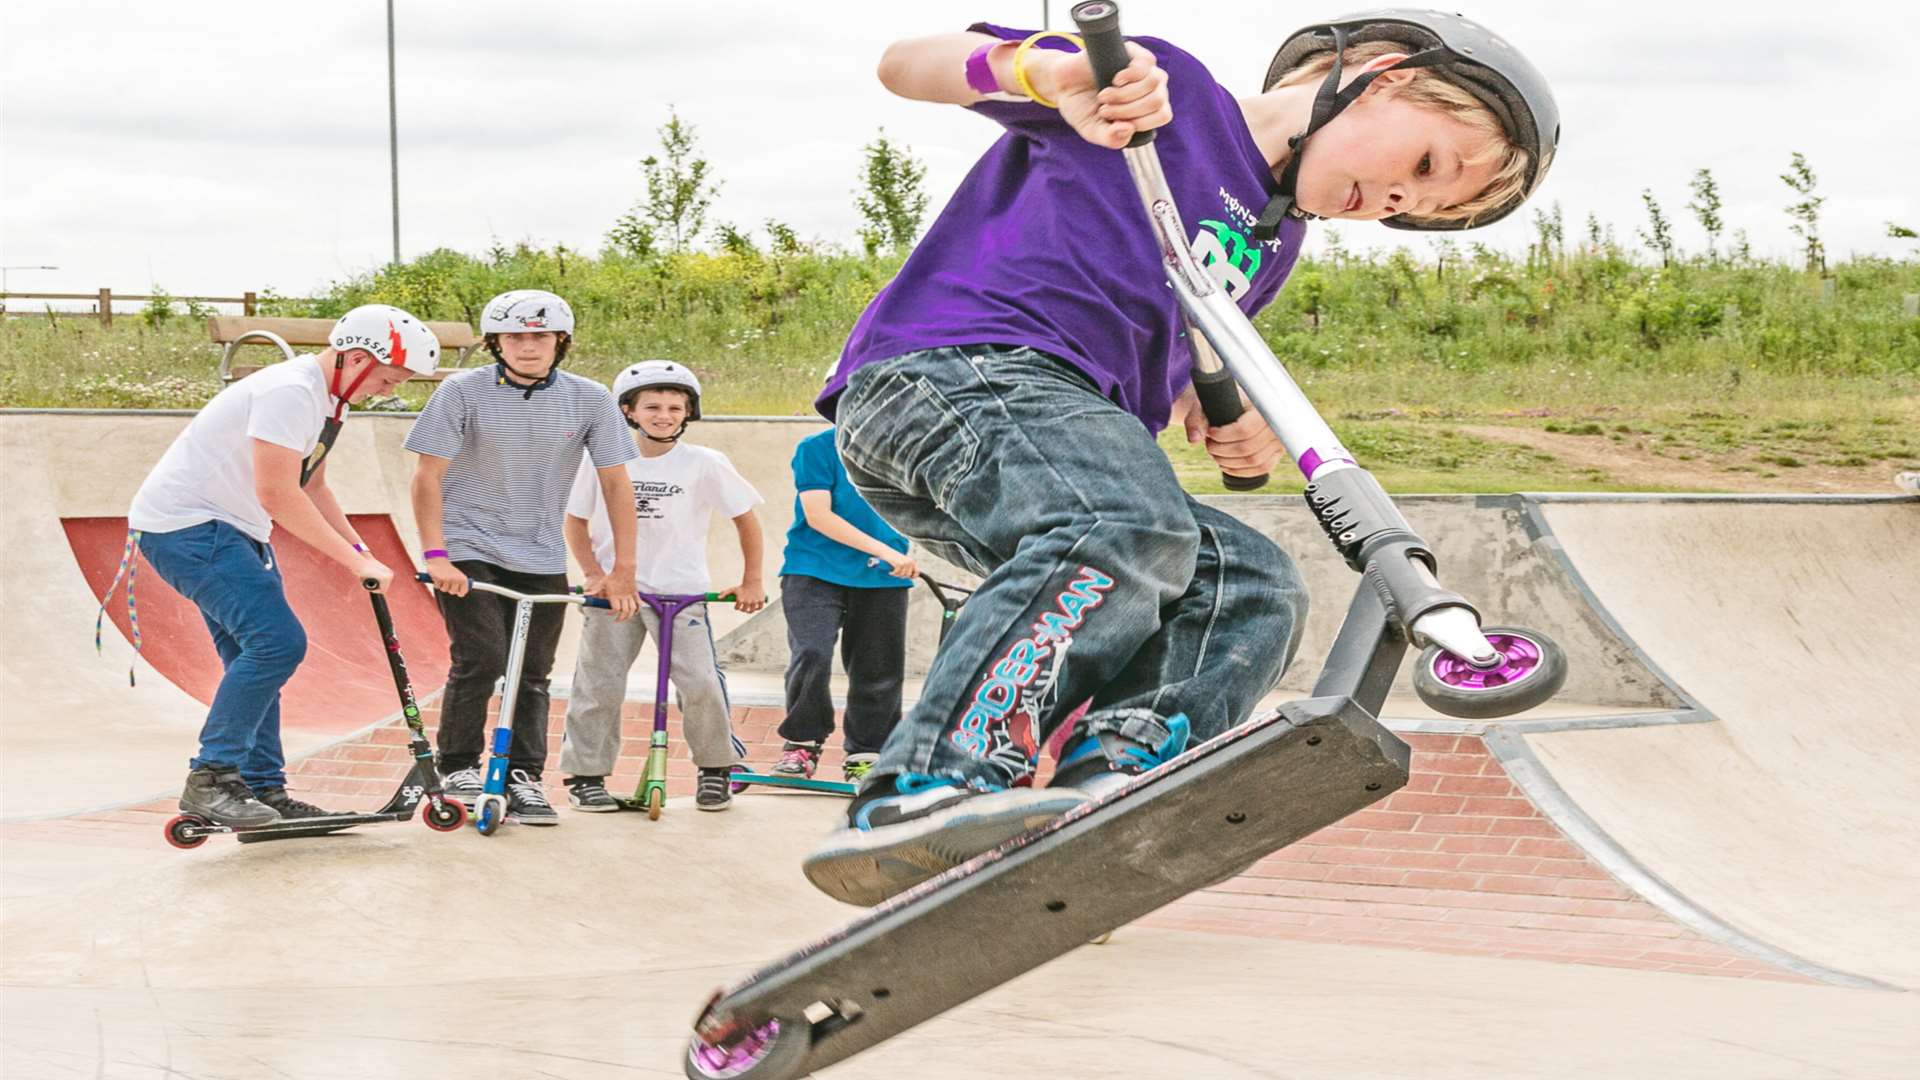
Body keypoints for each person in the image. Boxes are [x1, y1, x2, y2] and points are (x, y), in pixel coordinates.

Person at [801, 12, 1559, 904]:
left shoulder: (1272, 243)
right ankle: (931, 779)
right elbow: (905, 65)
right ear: (1381, 77)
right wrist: (1053, 75)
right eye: (1424, 165)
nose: (1393, 200)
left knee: (1248, 585)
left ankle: (1109, 780)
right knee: (1126, 523)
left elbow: (1187, 359)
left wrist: (1230, 416)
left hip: (1033, 451)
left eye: (1411, 209)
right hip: (954, 370)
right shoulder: (1170, 98)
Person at [124, 305, 438, 825]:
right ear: (358, 358)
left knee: (255, 653)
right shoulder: (290, 392)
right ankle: (211, 780)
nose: (386, 391)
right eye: (387, 379)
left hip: (233, 530)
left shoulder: (331, 402)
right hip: (188, 527)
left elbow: (313, 486)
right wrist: (349, 560)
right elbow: (277, 493)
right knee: (277, 643)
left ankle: (261, 789)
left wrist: (362, 553)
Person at [408, 289, 641, 827]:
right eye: (514, 337)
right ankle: (458, 766)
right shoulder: (460, 392)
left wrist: (622, 569)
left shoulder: (590, 398)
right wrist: (436, 555)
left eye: (540, 336)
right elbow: (427, 475)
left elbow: (616, 483)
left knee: (534, 671)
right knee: (482, 657)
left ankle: (523, 777)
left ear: (561, 341)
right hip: (467, 547)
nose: (528, 346)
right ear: (496, 343)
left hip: (539, 551)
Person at [559, 361, 767, 813]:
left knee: (701, 682)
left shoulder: (704, 463)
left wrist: (752, 579)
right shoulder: (602, 459)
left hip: (681, 592)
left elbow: (746, 520)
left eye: (675, 408)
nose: (664, 416)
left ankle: (716, 768)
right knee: (598, 684)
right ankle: (587, 775)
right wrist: (593, 573)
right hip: (615, 595)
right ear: (628, 411)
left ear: (689, 412)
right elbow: (575, 521)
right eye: (652, 407)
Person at [771, 426, 917, 784]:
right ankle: (802, 744)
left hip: (883, 575)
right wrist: (885, 550)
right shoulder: (817, 447)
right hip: (813, 568)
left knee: (877, 666)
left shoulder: (904, 448)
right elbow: (818, 515)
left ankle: (867, 754)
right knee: (812, 652)